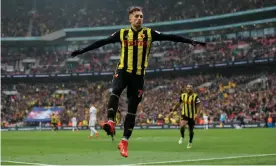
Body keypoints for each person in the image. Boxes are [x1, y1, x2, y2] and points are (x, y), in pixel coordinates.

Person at [71, 6, 206, 157]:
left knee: (132, 109)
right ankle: (111, 122)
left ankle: (124, 141)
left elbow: (171, 36)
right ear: (130, 19)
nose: (139, 19)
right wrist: (82, 50)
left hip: (138, 76)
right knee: (115, 91)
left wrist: (190, 41)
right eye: (136, 16)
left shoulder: (149, 33)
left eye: (141, 16)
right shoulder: (122, 33)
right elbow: (102, 42)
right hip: (123, 71)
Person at [172, 84, 201, 149]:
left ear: (192, 89)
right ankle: (182, 136)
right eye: (187, 87)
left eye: (190, 87)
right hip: (184, 114)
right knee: (182, 126)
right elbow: (178, 103)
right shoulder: (183, 95)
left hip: (192, 115)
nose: (189, 88)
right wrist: (174, 110)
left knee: (190, 131)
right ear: (186, 88)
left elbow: (198, 105)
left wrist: (197, 114)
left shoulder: (195, 96)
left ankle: (190, 142)